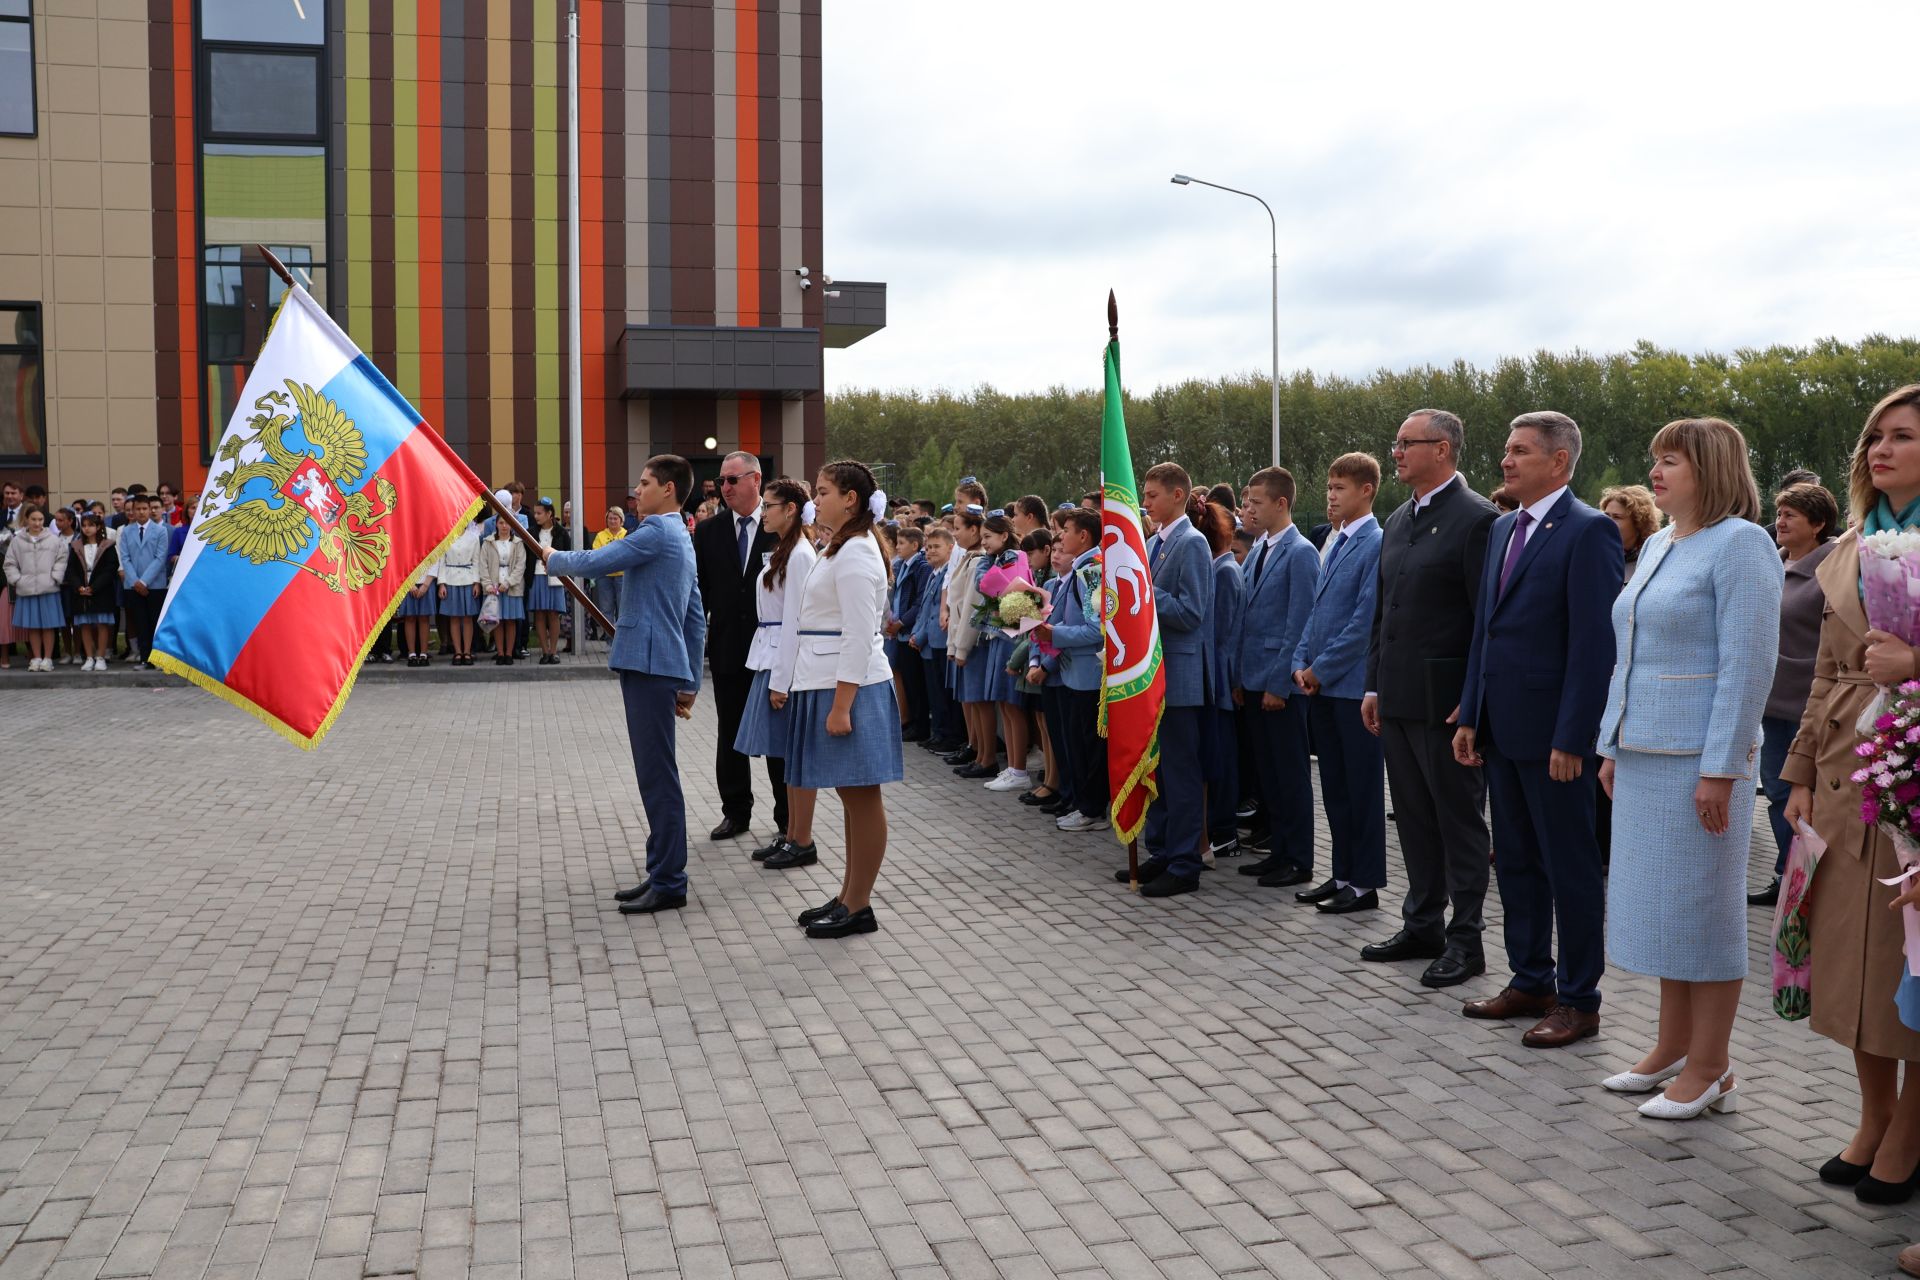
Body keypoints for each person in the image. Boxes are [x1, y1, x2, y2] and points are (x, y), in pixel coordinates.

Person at [1593, 417, 1780, 1118]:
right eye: (1655, 460)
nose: (1656, 472)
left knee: (1705, 915)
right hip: (1645, 756)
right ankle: (1671, 1045)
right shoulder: (1661, 544)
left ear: (1710, 467)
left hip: (1698, 763)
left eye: (1671, 460)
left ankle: (1711, 1066)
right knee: (1664, 911)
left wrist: (1723, 768)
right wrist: (1612, 745)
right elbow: (1629, 652)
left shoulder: (1741, 544)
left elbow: (1747, 665)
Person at [1782, 384, 1920, 1202]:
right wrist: (1798, 772)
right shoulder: (1851, 547)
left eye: (1902, 435)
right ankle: (1873, 1116)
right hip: (1845, 778)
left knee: (1913, 967)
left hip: (1915, 786)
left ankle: (1910, 1131)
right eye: (1876, 435)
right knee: (1855, 968)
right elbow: (1824, 671)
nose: (1883, 447)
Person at [1454, 412, 1622, 1047]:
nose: (1506, 461)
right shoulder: (1502, 529)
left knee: (1569, 867)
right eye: (1506, 449)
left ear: (1559, 462)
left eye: (1520, 451)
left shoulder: (1589, 531)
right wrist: (1471, 713)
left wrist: (1573, 737)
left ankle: (1580, 1001)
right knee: (1517, 862)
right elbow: (1485, 631)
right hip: (1502, 727)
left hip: (1555, 738)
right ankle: (1531, 979)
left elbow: (1592, 644)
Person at [1362, 409, 1499, 988]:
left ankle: (1467, 940)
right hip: (1397, 697)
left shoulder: (1478, 520)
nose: (1395, 452)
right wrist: (1374, 683)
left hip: (1446, 705)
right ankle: (1423, 923)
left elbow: (1486, 622)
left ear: (1441, 449)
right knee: (1414, 820)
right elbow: (1382, 610)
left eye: (1405, 443)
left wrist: (1473, 702)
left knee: (1459, 823)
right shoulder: (1398, 518)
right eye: (1395, 442)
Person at [540, 456, 706, 915]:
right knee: (657, 774)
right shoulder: (681, 535)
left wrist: (553, 558)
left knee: (657, 777)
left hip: (650, 665)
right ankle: (661, 871)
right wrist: (691, 678)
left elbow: (596, 561)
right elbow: (694, 615)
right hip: (660, 665)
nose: (637, 490)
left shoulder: (655, 531)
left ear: (669, 489)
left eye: (645, 482)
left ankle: (670, 880)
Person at [778, 461, 902, 938]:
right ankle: (850, 895)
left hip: (848, 685)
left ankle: (859, 905)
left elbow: (856, 635)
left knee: (862, 798)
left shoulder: (855, 553)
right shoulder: (841, 546)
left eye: (824, 491)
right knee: (852, 799)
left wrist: (842, 705)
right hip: (827, 680)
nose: (816, 499)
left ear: (850, 498)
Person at [1292, 453, 1387, 915]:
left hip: (1350, 688)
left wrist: (1319, 668)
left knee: (1362, 789)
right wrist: (1299, 660)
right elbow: (1316, 612)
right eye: (1329, 487)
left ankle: (1365, 884)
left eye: (1340, 488)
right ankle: (1343, 872)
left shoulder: (1375, 541)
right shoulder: (1334, 541)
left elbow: (1362, 621)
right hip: (1322, 687)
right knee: (1334, 787)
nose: (1331, 496)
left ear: (1366, 491)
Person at [1748, 481, 1840, 906]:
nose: (1779, 522)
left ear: (1818, 524)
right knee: (1777, 794)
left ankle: (1812, 882)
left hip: (1809, 705)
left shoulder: (1833, 568)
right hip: (1771, 701)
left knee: (1808, 797)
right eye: (1779, 513)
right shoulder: (1770, 562)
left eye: (1790, 516)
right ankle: (1786, 876)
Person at [1129, 463, 1216, 898]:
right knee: (1158, 770)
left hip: (1179, 676)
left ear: (1178, 495)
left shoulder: (1192, 543)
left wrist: (1145, 593)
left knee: (1180, 772)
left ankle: (1185, 863)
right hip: (1152, 672)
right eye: (1144, 495)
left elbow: (1191, 612)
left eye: (1151, 495)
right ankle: (1162, 851)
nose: (1145, 503)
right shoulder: (1152, 542)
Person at [1233, 466, 1319, 886]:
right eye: (1248, 501)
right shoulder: (1262, 547)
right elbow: (1247, 616)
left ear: (1281, 503)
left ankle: (1299, 858)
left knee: (1290, 773)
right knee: (1268, 773)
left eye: (1256, 502)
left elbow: (1299, 623)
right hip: (1252, 678)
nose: (1249, 508)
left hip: (1276, 683)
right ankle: (1279, 849)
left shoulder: (1300, 552)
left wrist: (1279, 684)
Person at [693, 451, 783, 843]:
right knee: (730, 733)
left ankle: (787, 817)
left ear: (755, 480)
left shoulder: (782, 526)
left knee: (777, 736)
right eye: (721, 481)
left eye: (732, 480)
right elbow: (701, 593)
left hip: (773, 652)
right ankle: (736, 811)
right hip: (729, 648)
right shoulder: (709, 531)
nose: (723, 487)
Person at [737, 478, 818, 869]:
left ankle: (799, 836)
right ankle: (789, 834)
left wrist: (781, 681)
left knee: (786, 754)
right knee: (777, 753)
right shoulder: (785, 550)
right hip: (768, 654)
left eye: (769, 505)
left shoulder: (800, 554)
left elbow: (795, 622)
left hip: (782, 661)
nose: (762, 511)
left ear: (790, 509)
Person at [1034, 507, 1107, 832]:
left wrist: (1055, 634)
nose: (1060, 537)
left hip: (1087, 674)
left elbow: (1097, 632)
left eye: (1066, 531)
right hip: (1073, 673)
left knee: (1089, 747)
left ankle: (1092, 810)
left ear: (1084, 536)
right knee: (1076, 744)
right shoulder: (1083, 569)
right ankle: (1081, 803)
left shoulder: (1092, 571)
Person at [1200, 498, 1245, 861]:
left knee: (1223, 762)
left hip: (1219, 682)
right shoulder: (1218, 569)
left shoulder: (1225, 572)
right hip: (1212, 681)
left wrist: (1228, 682)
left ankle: (1225, 832)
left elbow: (1225, 636)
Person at [941, 508, 990, 773]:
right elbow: (955, 604)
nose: (955, 533)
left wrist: (960, 646)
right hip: (961, 640)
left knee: (979, 702)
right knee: (971, 700)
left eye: (958, 528)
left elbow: (971, 607)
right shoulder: (968, 558)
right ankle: (978, 753)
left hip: (972, 643)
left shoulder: (978, 560)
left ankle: (987, 757)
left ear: (974, 530)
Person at [909, 525, 961, 753]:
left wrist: (920, 635)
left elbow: (937, 611)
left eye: (936, 547)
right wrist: (916, 634)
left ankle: (949, 736)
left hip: (940, 640)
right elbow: (924, 609)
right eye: (928, 547)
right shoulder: (934, 573)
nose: (930, 551)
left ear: (951, 548)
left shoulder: (949, 573)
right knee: (934, 693)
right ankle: (939, 732)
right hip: (929, 642)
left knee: (944, 693)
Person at [5, 506, 66, 671]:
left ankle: (48, 658)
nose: (37, 523)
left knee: (48, 625)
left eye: (40, 520)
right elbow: (10, 563)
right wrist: (17, 580)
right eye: (33, 519)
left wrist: (55, 577)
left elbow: (62, 559)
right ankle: (36, 658)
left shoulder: (53, 539)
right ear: (26, 519)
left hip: (49, 588)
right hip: (27, 589)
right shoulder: (17, 540)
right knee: (32, 626)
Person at [886, 525, 930, 741]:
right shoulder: (903, 564)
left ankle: (919, 724)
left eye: (902, 543)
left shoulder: (920, 567)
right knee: (908, 680)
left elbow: (918, 601)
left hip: (910, 630)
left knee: (916, 682)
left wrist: (901, 621)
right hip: (901, 631)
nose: (897, 546)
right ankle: (911, 722)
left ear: (915, 545)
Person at [118, 492, 171, 669]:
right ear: (132, 511)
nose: (141, 512)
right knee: (140, 622)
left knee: (155, 622)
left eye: (144, 508)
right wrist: (135, 581)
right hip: (134, 585)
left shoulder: (161, 530)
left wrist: (144, 581)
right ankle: (145, 658)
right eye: (137, 509)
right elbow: (125, 558)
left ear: (150, 510)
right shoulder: (126, 531)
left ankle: (159, 659)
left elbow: (160, 557)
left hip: (155, 585)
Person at [66, 513, 118, 671]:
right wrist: (79, 587)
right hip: (81, 591)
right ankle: (89, 657)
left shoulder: (107, 546)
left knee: (102, 624)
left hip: (101, 591)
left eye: (91, 525)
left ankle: (100, 656)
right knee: (85, 624)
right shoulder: (76, 546)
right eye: (84, 525)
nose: (87, 528)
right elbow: (71, 571)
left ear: (98, 527)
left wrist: (94, 587)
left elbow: (110, 569)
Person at [526, 498, 572, 665]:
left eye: (539, 513)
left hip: (556, 577)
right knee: (539, 613)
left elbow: (568, 555)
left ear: (549, 514)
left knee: (554, 614)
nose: (536, 516)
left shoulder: (561, 533)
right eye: (535, 513)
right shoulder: (531, 532)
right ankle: (544, 652)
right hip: (536, 576)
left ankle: (554, 651)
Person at [479, 514, 527, 666]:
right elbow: (483, 565)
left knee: (511, 621)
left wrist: (508, 582)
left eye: (507, 523)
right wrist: (487, 585)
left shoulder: (518, 543)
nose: (504, 526)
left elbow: (521, 565)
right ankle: (500, 653)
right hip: (494, 587)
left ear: (512, 525)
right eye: (501, 523)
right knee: (497, 621)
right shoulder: (488, 542)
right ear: (496, 524)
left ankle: (509, 653)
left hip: (511, 587)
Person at [437, 513, 485, 666]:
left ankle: (467, 651)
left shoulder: (473, 538)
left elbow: (477, 561)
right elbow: (441, 561)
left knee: (468, 617)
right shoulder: (446, 537)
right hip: (450, 579)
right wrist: (442, 583)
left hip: (468, 579)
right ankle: (458, 652)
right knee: (454, 617)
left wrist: (477, 582)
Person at [1600, 484, 1661, 586]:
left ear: (1638, 523)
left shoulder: (1654, 559)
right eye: (1606, 516)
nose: (1608, 522)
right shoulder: (1597, 556)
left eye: (1617, 517)